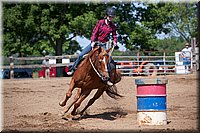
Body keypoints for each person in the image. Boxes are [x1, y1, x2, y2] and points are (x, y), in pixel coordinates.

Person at [67, 7, 117, 86]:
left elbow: (114, 34)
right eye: (110, 16)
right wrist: (93, 41)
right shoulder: (100, 23)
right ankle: (73, 69)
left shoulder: (113, 26)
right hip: (95, 43)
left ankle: (108, 79)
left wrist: (115, 41)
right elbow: (95, 32)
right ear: (106, 16)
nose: (111, 18)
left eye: (112, 17)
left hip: (103, 45)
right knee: (81, 55)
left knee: (108, 61)